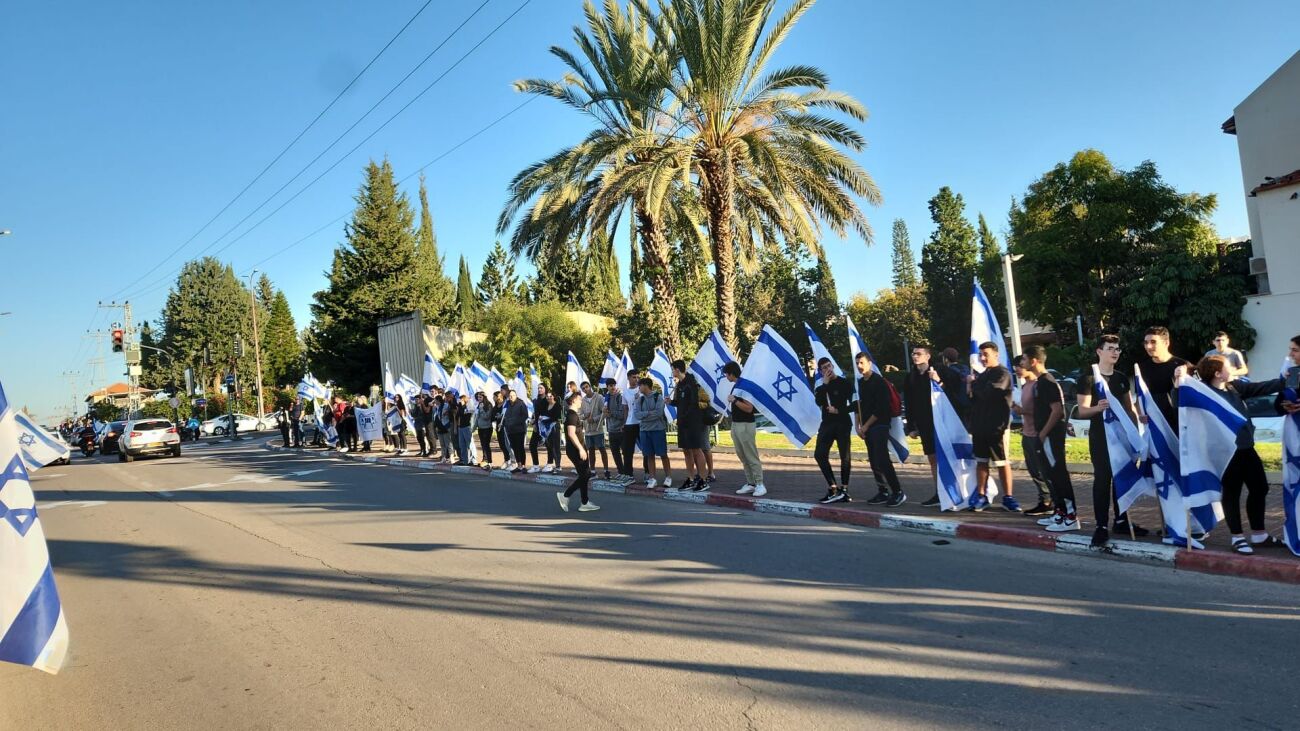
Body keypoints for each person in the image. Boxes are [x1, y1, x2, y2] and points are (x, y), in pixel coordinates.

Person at [1194, 354, 1287, 554]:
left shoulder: (1233, 387)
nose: (1233, 369)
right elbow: (1179, 401)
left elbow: (1259, 388)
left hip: (1246, 447)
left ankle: (1259, 534)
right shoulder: (1204, 392)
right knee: (1232, 493)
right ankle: (1237, 537)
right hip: (1226, 452)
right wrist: (1178, 383)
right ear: (1217, 373)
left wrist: (1284, 381)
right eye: (1228, 366)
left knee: (1260, 487)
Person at [1076, 334, 1148, 547]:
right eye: (1110, 348)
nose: (1115, 352)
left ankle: (1122, 520)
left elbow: (1129, 408)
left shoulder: (1121, 378)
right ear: (1099, 351)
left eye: (1117, 349)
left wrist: (1135, 433)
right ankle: (1101, 526)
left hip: (1122, 436)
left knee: (1121, 476)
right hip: (1100, 437)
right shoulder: (1088, 378)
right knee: (1103, 479)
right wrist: (1098, 408)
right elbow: (1082, 411)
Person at [903, 344, 965, 506]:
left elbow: (955, 392)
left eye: (918, 353)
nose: (915, 356)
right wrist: (911, 426)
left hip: (942, 422)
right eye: (913, 354)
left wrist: (938, 381)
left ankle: (957, 490)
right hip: (924, 423)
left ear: (927, 356)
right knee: (932, 457)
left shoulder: (941, 370)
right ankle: (939, 492)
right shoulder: (911, 376)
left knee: (948, 455)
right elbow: (909, 402)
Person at [1025, 346, 1079, 532]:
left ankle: (1071, 516)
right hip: (1044, 435)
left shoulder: (1047, 382)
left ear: (1034, 361)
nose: (1022, 363)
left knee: (1058, 474)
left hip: (1051, 436)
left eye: (1024, 359)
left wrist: (1043, 433)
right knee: (1050, 474)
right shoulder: (1040, 382)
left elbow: (1057, 411)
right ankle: (1060, 511)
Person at [962, 342, 1017, 511]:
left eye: (986, 354)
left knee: (1001, 462)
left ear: (996, 354)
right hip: (980, 426)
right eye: (980, 354)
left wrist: (973, 384)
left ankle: (1008, 497)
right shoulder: (982, 375)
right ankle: (981, 495)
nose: (982, 358)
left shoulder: (1002, 373)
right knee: (981, 461)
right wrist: (970, 385)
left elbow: (989, 393)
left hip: (996, 427)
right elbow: (972, 399)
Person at [855, 351, 905, 507]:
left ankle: (898, 492)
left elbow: (882, 408)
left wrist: (866, 425)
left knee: (882, 459)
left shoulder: (879, 382)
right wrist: (858, 426)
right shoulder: (860, 383)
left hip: (880, 425)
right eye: (857, 363)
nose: (859, 366)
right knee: (874, 460)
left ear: (869, 363)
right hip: (866, 427)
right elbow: (859, 405)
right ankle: (882, 491)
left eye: (862, 363)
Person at [1010, 355, 1053, 517]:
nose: (1018, 370)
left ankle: (1052, 501)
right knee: (1034, 470)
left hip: (1037, 433)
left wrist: (1020, 409)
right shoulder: (1025, 386)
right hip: (1026, 432)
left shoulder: (1038, 385)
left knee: (1043, 470)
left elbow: (1042, 410)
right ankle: (1044, 500)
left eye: (1020, 366)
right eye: (1016, 368)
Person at [813, 357, 854, 504]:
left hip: (843, 423)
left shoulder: (845, 383)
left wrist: (839, 410)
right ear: (820, 371)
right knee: (819, 454)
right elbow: (818, 401)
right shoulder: (821, 387)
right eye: (824, 368)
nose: (828, 369)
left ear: (833, 366)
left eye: (829, 366)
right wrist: (825, 385)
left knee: (845, 456)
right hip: (827, 424)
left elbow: (855, 404)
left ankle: (844, 489)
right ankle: (833, 487)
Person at [723, 361, 765, 496]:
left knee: (751, 455)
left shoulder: (744, 386)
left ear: (731, 373)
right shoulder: (737, 385)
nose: (726, 377)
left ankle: (760, 484)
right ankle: (751, 483)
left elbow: (749, 408)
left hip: (746, 425)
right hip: (736, 424)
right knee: (742, 455)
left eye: (726, 374)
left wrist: (735, 400)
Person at [1138, 326, 1190, 429]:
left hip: (1182, 426)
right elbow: (1139, 397)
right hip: (1156, 427)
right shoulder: (1142, 368)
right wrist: (1140, 414)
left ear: (1166, 343)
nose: (1148, 346)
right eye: (1146, 342)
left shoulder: (1184, 366)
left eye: (1153, 342)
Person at [667, 360, 708, 491]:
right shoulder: (679, 385)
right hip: (682, 422)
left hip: (693, 422)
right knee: (686, 450)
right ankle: (690, 478)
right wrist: (671, 402)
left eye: (673, 369)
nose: (672, 372)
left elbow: (693, 403)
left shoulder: (691, 383)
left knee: (696, 450)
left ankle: (703, 479)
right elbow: (680, 402)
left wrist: (685, 416)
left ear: (677, 370)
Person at [556, 391, 599, 513]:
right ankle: (566, 495)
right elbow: (571, 434)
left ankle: (584, 502)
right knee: (585, 475)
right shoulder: (572, 415)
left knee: (584, 475)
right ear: (574, 400)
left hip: (577, 448)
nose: (581, 401)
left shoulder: (573, 414)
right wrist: (580, 449)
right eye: (580, 399)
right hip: (576, 450)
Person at [634, 377, 672, 488]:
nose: (639, 388)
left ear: (646, 385)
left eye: (640, 385)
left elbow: (659, 413)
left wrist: (645, 415)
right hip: (644, 431)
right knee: (649, 455)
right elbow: (637, 415)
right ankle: (652, 478)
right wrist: (649, 413)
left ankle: (668, 477)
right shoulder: (639, 399)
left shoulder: (658, 397)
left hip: (657, 430)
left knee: (663, 454)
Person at [579, 382, 611, 479]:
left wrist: (594, 419)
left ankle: (606, 470)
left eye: (586, 387)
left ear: (590, 387)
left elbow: (604, 412)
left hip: (598, 430)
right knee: (591, 450)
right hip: (588, 430)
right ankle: (593, 471)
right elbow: (580, 415)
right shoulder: (582, 400)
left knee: (602, 449)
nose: (585, 389)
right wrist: (585, 416)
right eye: (583, 388)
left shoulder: (599, 397)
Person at [604, 378, 628, 480]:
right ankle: (620, 471)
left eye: (614, 385)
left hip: (620, 429)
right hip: (611, 429)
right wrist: (605, 413)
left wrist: (610, 413)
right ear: (607, 387)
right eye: (610, 386)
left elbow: (622, 414)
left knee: (625, 452)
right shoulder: (607, 398)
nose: (613, 387)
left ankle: (627, 472)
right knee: (615, 452)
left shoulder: (619, 397)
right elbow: (605, 414)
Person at [620, 369, 641, 481]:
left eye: (638, 377)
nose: (636, 379)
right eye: (634, 377)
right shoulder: (625, 392)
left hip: (641, 423)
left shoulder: (641, 390)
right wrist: (624, 423)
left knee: (646, 449)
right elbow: (625, 409)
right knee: (627, 449)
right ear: (628, 378)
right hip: (629, 423)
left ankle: (648, 473)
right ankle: (628, 473)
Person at [503, 389, 530, 473]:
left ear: (516, 395)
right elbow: (504, 415)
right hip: (510, 430)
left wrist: (515, 422)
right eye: (510, 396)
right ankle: (519, 465)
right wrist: (506, 423)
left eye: (513, 395)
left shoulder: (521, 403)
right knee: (514, 448)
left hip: (519, 429)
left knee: (520, 447)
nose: (511, 397)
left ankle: (524, 466)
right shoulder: (507, 404)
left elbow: (525, 415)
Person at [527, 385, 551, 473]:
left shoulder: (548, 399)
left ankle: (549, 464)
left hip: (546, 425)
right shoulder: (537, 400)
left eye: (541, 388)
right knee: (532, 445)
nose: (539, 389)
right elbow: (536, 413)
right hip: (537, 426)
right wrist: (534, 422)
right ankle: (536, 465)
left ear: (545, 389)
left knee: (549, 445)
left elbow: (550, 412)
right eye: (538, 388)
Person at [475, 391, 495, 469]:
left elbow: (486, 417)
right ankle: (484, 459)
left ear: (484, 397)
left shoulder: (488, 405)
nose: (479, 399)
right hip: (480, 428)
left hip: (487, 428)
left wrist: (482, 409)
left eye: (480, 397)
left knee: (486, 445)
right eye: (478, 397)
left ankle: (489, 461)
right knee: (483, 445)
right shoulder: (479, 405)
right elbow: (477, 416)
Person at [455, 393, 474, 465]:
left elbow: (468, 414)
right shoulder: (459, 407)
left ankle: (472, 460)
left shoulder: (468, 406)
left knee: (469, 444)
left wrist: (464, 405)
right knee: (462, 445)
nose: (459, 401)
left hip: (467, 426)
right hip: (460, 427)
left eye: (461, 399)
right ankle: (464, 460)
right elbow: (457, 416)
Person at [412, 392, 431, 457]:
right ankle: (422, 450)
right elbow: (413, 414)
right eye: (415, 399)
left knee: (423, 438)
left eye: (417, 399)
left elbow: (423, 415)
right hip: (417, 424)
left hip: (422, 424)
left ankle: (425, 450)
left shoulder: (422, 406)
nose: (416, 401)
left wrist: (416, 415)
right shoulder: (415, 406)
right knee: (419, 438)